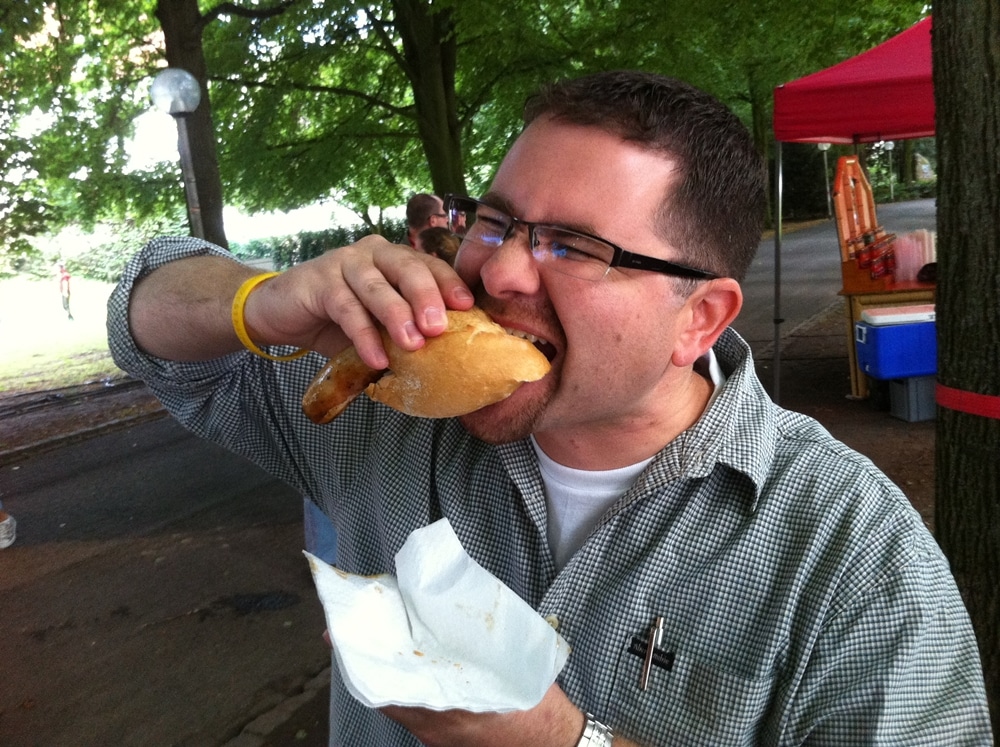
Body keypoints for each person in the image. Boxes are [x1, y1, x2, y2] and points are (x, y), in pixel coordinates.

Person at [107, 71, 992, 746]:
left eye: (572, 245)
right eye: (494, 221)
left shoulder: (853, 558)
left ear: (701, 318)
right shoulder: (391, 405)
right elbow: (143, 316)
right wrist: (262, 302)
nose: (497, 272)